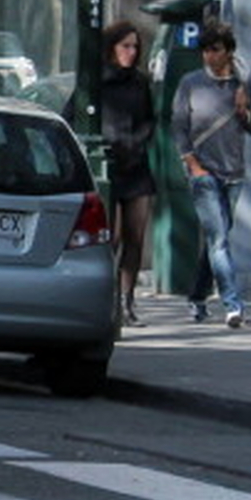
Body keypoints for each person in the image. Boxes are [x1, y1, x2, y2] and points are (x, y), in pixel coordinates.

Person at [171, 18, 251, 328]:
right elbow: (178, 127)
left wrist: (244, 112)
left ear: (228, 51)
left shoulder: (243, 84)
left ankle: (197, 296)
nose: (209, 56)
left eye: (215, 49)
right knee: (219, 240)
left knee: (216, 239)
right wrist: (193, 165)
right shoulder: (191, 83)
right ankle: (233, 305)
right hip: (203, 173)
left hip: (233, 172)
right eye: (205, 50)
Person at [96, 19, 158, 326]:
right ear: (112, 48)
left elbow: (149, 119)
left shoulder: (139, 82)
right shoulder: (95, 81)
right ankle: (106, 301)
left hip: (136, 168)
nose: (132, 52)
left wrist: (139, 140)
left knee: (136, 236)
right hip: (109, 167)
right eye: (126, 46)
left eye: (135, 47)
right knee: (113, 236)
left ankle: (126, 301)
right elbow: (74, 114)